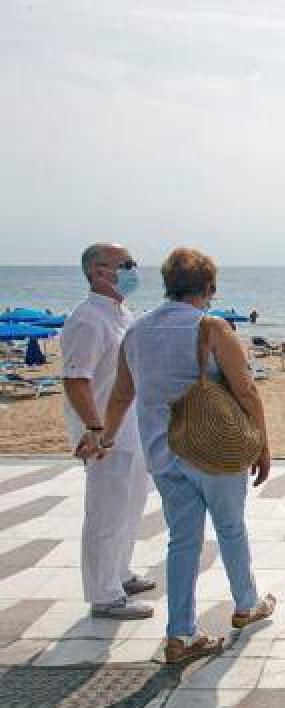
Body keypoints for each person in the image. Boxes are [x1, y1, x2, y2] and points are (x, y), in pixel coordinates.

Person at [79, 247, 276, 664]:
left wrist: (105, 438)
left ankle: (180, 635)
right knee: (230, 529)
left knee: (182, 542)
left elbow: (120, 395)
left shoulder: (138, 331)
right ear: (208, 288)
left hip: (163, 453)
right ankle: (246, 604)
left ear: (168, 285)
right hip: (214, 451)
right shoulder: (212, 328)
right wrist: (261, 442)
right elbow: (245, 390)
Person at [62, 243, 155, 621]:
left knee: (130, 504)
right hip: (104, 433)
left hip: (131, 427)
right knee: (105, 510)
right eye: (126, 265)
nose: (134, 271)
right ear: (100, 272)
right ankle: (103, 595)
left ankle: (119, 573)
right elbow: (75, 378)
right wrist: (94, 428)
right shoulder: (87, 319)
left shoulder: (120, 313)